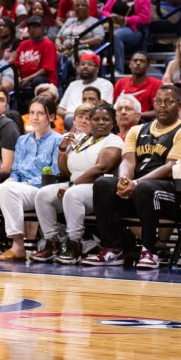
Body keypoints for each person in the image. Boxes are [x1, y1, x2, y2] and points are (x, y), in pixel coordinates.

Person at [84, 85, 181, 269]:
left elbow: (171, 166)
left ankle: (150, 251)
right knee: (103, 184)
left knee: (147, 189)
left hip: (172, 196)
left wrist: (136, 183)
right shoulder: (137, 130)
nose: (162, 106)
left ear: (179, 106)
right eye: (159, 101)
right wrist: (124, 180)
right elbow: (128, 161)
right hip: (136, 191)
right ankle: (112, 248)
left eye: (169, 102)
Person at [31, 103, 124, 264]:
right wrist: (62, 149)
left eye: (106, 119)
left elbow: (101, 168)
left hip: (98, 189)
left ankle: (75, 244)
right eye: (96, 119)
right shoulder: (81, 138)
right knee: (43, 194)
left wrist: (72, 186)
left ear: (112, 122)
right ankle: (52, 242)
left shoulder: (113, 140)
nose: (101, 122)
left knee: (73, 194)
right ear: (90, 121)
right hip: (75, 184)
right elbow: (67, 171)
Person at [0, 97, 61, 261]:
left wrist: (26, 183)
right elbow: (16, 169)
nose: (35, 117)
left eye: (40, 113)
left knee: (8, 189)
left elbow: (55, 172)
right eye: (32, 113)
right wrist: (13, 179)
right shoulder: (23, 140)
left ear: (51, 117)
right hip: (17, 188)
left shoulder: (58, 140)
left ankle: (18, 245)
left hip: (41, 189)